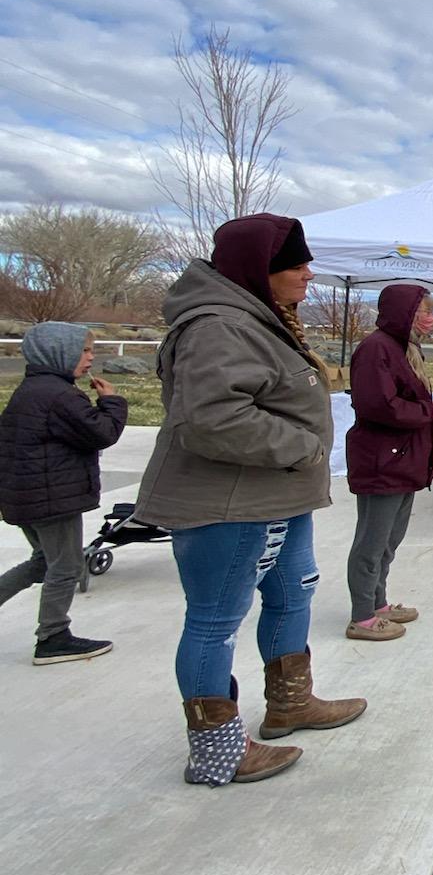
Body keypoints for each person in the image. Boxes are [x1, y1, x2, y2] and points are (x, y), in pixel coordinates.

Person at [137, 214, 365, 786]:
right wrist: (305, 448)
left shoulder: (259, 320)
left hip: (278, 495)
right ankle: (216, 751)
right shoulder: (219, 326)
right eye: (297, 264)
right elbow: (211, 420)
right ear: (259, 270)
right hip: (229, 504)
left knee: (293, 594)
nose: (310, 274)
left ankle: (291, 702)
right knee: (215, 621)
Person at [0, 323, 128, 664]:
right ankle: (53, 637)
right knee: (66, 567)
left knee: (43, 563)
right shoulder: (59, 396)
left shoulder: (35, 389)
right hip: (50, 499)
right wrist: (112, 402)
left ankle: (52, 634)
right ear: (59, 353)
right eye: (84, 351)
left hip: (26, 495)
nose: (90, 358)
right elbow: (101, 433)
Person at [344, 285, 433, 642]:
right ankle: (362, 615)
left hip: (404, 460)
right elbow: (379, 406)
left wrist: (427, 408)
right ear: (405, 313)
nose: (430, 318)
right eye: (424, 311)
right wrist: (429, 411)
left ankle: (379, 604)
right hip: (383, 461)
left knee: (390, 539)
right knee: (371, 542)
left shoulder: (405, 348)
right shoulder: (376, 349)